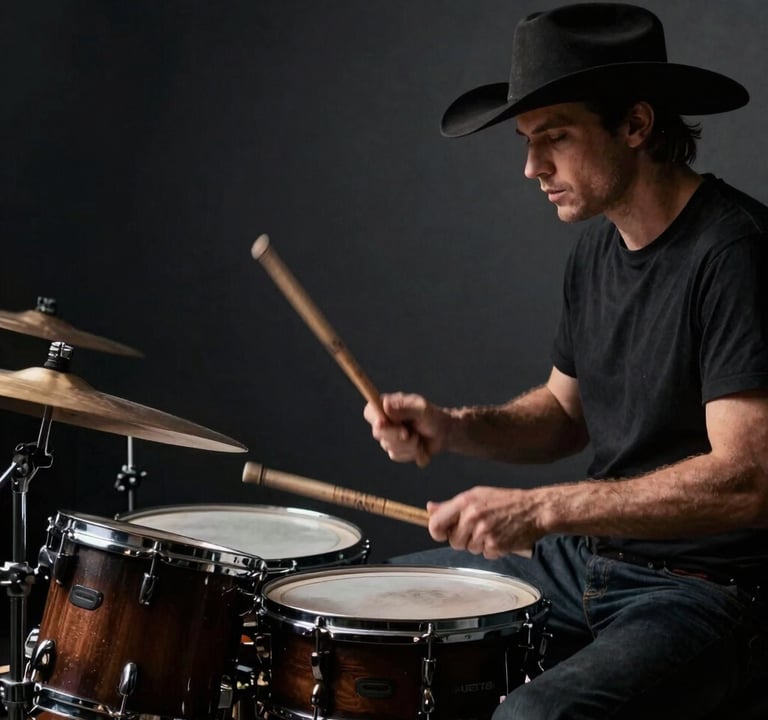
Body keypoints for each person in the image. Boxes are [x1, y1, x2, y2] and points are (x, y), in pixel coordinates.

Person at [363, 4, 768, 719]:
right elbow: (562, 414)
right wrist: (451, 427)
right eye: (526, 142)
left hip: (705, 589)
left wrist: (544, 508)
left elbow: (748, 480)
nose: (532, 167)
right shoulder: (596, 251)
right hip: (588, 561)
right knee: (379, 613)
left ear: (636, 125)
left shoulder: (736, 253)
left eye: (555, 137)